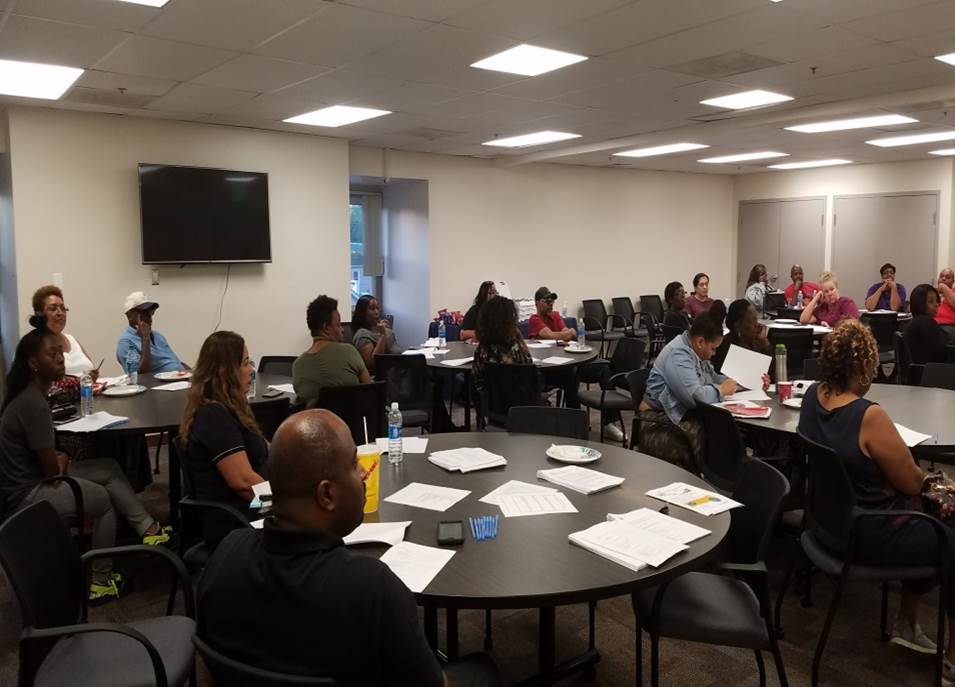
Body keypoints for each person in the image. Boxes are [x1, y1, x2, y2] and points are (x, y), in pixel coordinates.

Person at [197, 410, 502, 686]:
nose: (364, 475)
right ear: (327, 494)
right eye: (355, 465)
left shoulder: (226, 554)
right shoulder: (372, 588)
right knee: (483, 670)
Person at [798, 320, 955, 676]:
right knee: (945, 524)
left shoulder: (812, 396)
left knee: (934, 517)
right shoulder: (869, 415)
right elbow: (913, 484)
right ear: (865, 366)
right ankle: (952, 660)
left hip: (827, 525)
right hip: (870, 533)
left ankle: (907, 622)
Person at [0, 316, 171, 602]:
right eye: (51, 354)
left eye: (60, 352)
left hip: (31, 479)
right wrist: (63, 457)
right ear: (33, 363)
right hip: (26, 496)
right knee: (103, 501)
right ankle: (101, 581)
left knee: (108, 467)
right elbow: (51, 471)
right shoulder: (33, 404)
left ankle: (147, 529)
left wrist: (61, 457)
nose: (60, 358)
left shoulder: (30, 395)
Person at [181, 331, 268, 548]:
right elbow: (244, 484)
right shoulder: (213, 415)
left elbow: (272, 450)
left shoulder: (233, 408)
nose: (251, 371)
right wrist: (286, 504)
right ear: (226, 371)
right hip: (237, 521)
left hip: (254, 507)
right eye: (246, 363)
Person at [638, 315, 737, 469]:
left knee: (721, 428)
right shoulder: (679, 354)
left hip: (674, 416)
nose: (714, 354)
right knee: (716, 431)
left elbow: (711, 377)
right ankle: (714, 477)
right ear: (700, 342)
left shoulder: (694, 350)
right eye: (713, 349)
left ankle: (719, 477)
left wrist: (737, 383)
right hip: (657, 421)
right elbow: (694, 397)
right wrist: (722, 390)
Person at [293, 295, 370, 408]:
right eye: (338, 325)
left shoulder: (297, 366)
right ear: (326, 327)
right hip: (352, 423)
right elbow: (371, 391)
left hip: (316, 424)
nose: (342, 329)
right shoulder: (348, 351)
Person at [32, 285, 98, 379]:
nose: (60, 313)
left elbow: (92, 369)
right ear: (39, 314)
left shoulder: (71, 339)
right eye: (53, 308)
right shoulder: (32, 345)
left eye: (63, 308)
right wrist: (77, 383)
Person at [116, 291, 186, 374]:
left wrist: (193, 373)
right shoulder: (126, 342)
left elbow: (174, 362)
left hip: (179, 380)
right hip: (159, 385)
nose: (149, 317)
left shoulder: (158, 336)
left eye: (151, 312)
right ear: (130, 316)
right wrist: (145, 339)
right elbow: (138, 376)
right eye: (144, 313)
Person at [471, 296, 533, 385]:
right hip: (520, 397)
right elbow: (530, 369)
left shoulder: (482, 350)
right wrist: (520, 339)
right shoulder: (516, 349)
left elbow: (476, 377)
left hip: (488, 397)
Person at [712, 299, 770, 373]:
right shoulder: (725, 346)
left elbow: (774, 374)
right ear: (738, 326)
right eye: (752, 321)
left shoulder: (757, 342)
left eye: (756, 320)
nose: (757, 325)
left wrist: (765, 342)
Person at [351, 295, 400, 375]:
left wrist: (388, 332)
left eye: (377, 308)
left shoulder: (378, 329)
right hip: (384, 379)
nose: (377, 312)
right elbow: (372, 365)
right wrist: (383, 335)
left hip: (397, 372)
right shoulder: (362, 334)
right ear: (362, 313)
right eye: (372, 309)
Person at [904, 284, 949, 365]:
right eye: (931, 301)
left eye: (936, 301)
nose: (936, 304)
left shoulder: (915, 321)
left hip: (916, 369)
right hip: (928, 370)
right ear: (919, 303)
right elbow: (942, 352)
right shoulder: (926, 322)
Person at [936, 268, 955, 341]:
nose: (943, 278)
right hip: (930, 324)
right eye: (941, 276)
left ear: (953, 282)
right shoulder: (932, 292)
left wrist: (943, 287)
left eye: (948, 277)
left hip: (949, 326)